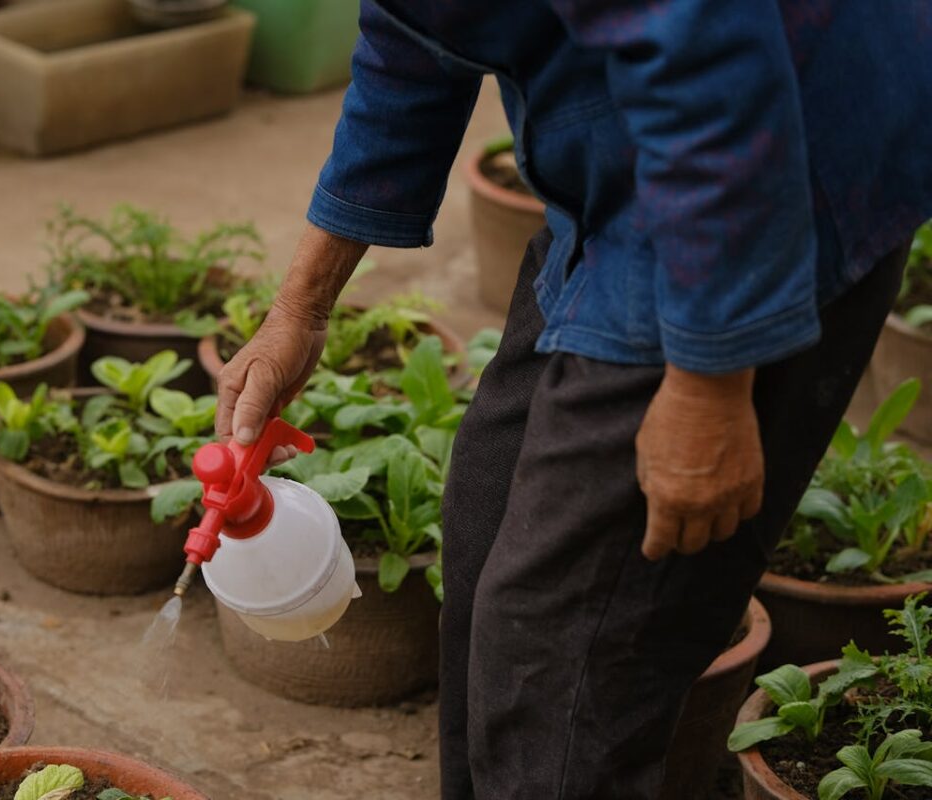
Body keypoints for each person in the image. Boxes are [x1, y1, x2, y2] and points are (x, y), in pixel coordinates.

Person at [214, 2, 932, 797]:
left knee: (562, 670)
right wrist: (301, 307)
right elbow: (412, 31)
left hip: (761, 170)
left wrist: (709, 382)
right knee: (488, 525)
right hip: (627, 143)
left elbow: (707, 58)